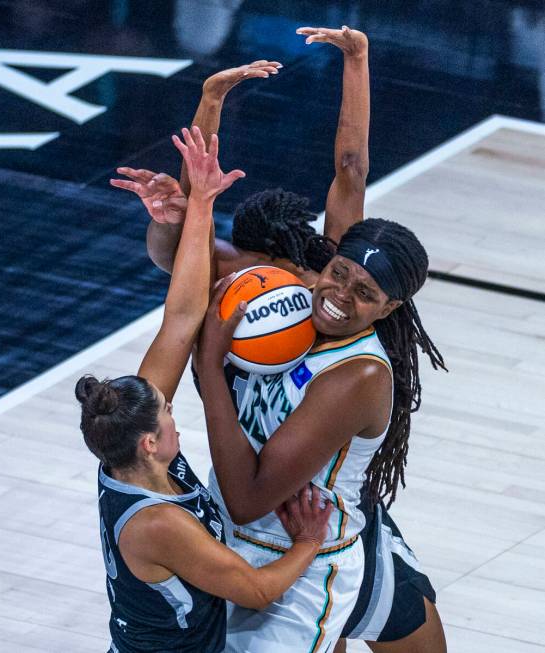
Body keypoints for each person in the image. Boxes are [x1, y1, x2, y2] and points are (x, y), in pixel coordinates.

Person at [114, 26, 448, 651]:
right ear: (325, 262)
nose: (341, 294)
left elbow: (249, 498)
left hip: (307, 545)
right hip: (229, 532)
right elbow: (183, 253)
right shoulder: (278, 287)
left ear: (390, 307)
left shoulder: (361, 374)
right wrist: (354, 58)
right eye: (340, 273)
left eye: (365, 294)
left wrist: (210, 371)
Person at [78, 125, 333, 653]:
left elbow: (183, 315)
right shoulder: (157, 523)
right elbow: (259, 591)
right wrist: (309, 543)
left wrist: (200, 204)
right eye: (167, 414)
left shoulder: (128, 447)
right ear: (150, 441)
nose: (172, 412)